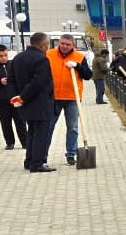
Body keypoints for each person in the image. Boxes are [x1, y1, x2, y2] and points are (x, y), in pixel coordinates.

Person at [8, 32, 55, 172]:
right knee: (41, 133)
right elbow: (38, 83)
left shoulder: (17, 58)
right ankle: (37, 163)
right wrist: (23, 96)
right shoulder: (41, 59)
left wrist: (18, 96)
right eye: (47, 45)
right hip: (39, 102)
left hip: (25, 104)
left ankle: (29, 161)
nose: (47, 48)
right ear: (42, 45)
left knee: (31, 132)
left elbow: (11, 79)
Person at [47, 33, 93, 166]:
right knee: (48, 126)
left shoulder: (79, 57)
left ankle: (71, 154)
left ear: (73, 45)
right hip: (53, 97)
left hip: (73, 97)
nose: (64, 46)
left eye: (68, 44)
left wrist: (77, 66)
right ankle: (43, 154)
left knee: (72, 127)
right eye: (62, 43)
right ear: (58, 43)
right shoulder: (49, 54)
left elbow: (88, 75)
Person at [0, 45, 28, 150]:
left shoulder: (12, 64)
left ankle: (25, 142)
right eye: (1, 56)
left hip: (15, 98)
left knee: (20, 121)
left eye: (5, 55)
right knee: (5, 122)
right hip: (2, 101)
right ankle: (10, 142)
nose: (4, 58)